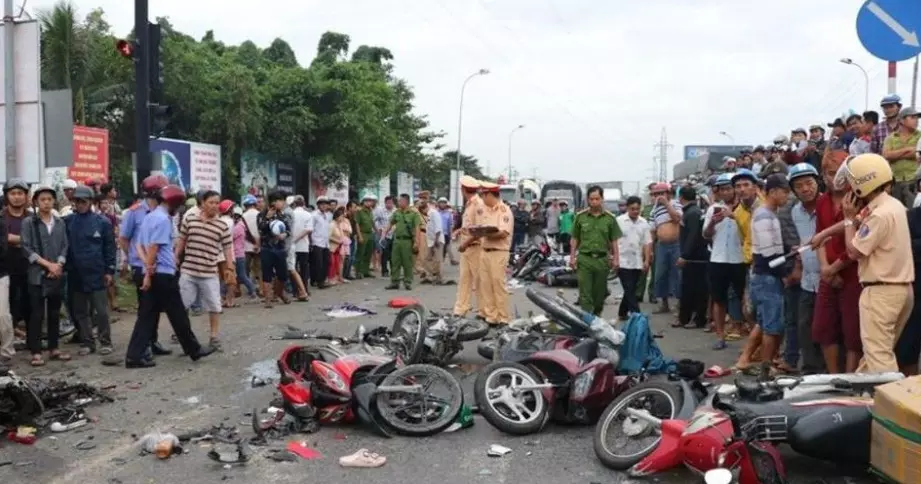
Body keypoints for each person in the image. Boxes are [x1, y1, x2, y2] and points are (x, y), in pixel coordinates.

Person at [125, 184, 215, 368]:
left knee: (147, 315)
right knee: (177, 313)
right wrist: (149, 271)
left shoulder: (149, 217)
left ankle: (134, 355)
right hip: (163, 273)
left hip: (153, 272)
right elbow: (154, 247)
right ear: (173, 202)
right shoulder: (163, 219)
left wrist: (147, 268)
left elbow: (139, 246)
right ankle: (194, 349)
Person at [842, 153, 914, 373]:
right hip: (902, 290)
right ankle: (863, 388)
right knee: (875, 355)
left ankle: (891, 395)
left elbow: (853, 251)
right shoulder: (895, 205)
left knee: (879, 358)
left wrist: (847, 220)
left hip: (881, 292)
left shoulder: (878, 215)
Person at [812, 150, 862, 373]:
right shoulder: (822, 201)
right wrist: (826, 269)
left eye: (839, 173)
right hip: (828, 273)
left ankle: (850, 379)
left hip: (853, 272)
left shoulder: (857, 200)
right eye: (830, 174)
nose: (835, 179)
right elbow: (819, 238)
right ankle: (834, 377)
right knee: (823, 328)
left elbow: (858, 243)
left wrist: (834, 268)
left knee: (853, 333)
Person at [737, 174, 792, 376]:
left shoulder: (767, 214)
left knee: (763, 322)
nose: (787, 197)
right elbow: (770, 255)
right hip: (768, 276)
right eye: (785, 192)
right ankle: (766, 367)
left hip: (764, 275)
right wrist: (785, 274)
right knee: (772, 325)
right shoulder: (764, 216)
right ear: (773, 192)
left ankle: (745, 359)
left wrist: (790, 249)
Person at [175, 190, 234, 350]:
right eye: (211, 202)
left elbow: (227, 248)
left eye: (217, 203)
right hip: (189, 270)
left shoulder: (222, 225)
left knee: (214, 306)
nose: (214, 206)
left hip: (209, 272)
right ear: (202, 203)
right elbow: (182, 239)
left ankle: (214, 337)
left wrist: (230, 267)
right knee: (182, 305)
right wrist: (175, 257)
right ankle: (182, 334)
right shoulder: (190, 219)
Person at [21, 184, 70, 366]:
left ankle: (54, 347)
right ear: (36, 202)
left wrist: (59, 264)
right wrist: (48, 265)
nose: (46, 203)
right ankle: (36, 351)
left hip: (56, 274)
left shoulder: (59, 223)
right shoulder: (29, 223)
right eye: (43, 199)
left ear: (54, 201)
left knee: (55, 313)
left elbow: (65, 246)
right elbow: (26, 248)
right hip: (37, 274)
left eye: (49, 199)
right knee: (37, 314)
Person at [65, 185, 116, 356]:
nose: (80, 204)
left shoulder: (103, 222)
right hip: (76, 273)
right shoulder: (68, 222)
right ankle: (87, 342)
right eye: (77, 201)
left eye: (83, 201)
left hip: (97, 273)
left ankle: (105, 341)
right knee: (80, 312)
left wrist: (109, 270)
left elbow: (110, 248)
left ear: (91, 202)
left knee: (101, 311)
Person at [703, 173, 745, 350]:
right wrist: (712, 223)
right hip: (718, 258)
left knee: (744, 298)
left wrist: (733, 216)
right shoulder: (713, 209)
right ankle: (720, 336)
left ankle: (746, 333)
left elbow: (749, 231)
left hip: (740, 258)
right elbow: (706, 235)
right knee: (718, 299)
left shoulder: (744, 209)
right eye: (722, 190)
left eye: (729, 189)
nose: (726, 192)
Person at [571, 185, 622, 316]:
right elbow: (575, 238)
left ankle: (597, 314)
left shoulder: (610, 218)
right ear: (588, 200)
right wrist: (572, 257)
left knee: (600, 293)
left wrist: (616, 258)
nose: (594, 202)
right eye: (591, 199)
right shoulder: (580, 217)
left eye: (597, 199)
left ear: (602, 199)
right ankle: (587, 319)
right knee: (585, 293)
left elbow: (614, 241)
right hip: (585, 259)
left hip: (602, 260)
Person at [472, 182, 513, 325]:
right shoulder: (485, 210)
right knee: (486, 285)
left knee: (498, 285)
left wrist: (485, 234)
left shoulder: (504, 210)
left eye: (483, 195)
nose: (482, 198)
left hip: (498, 252)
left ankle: (503, 317)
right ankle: (491, 316)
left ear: (490, 194)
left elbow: (504, 232)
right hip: (485, 251)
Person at [676, 186, 709, 329]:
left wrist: (685, 255)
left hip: (696, 258)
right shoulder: (691, 211)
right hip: (692, 257)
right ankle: (684, 318)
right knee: (688, 289)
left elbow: (693, 235)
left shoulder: (693, 213)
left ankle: (697, 320)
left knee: (697, 290)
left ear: (681, 197)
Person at [615, 196, 651, 320]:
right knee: (629, 288)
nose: (635, 211)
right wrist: (613, 258)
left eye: (637, 209)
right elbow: (612, 241)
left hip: (637, 261)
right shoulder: (619, 221)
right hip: (622, 260)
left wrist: (647, 260)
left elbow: (647, 242)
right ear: (627, 208)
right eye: (632, 209)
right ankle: (637, 316)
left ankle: (622, 312)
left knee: (631, 288)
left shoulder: (643, 223)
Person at [649, 182, 682, 314]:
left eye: (661, 193)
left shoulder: (675, 204)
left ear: (668, 194)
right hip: (661, 246)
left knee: (677, 274)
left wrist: (667, 204)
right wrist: (650, 249)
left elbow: (677, 218)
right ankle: (664, 304)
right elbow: (652, 231)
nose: (659, 196)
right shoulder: (654, 210)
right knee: (660, 275)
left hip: (676, 244)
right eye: (656, 194)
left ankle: (680, 304)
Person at [453, 176, 484, 317]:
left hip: (475, 247)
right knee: (464, 280)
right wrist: (460, 230)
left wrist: (465, 243)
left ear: (463, 189)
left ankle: (484, 311)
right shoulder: (469, 204)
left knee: (479, 281)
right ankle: (460, 310)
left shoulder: (478, 204)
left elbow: (480, 229)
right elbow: (470, 225)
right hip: (467, 248)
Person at [257, 191, 292, 307]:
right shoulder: (262, 215)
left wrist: (284, 235)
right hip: (266, 247)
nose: (282, 203)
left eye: (282, 201)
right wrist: (267, 218)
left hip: (280, 248)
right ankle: (268, 298)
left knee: (283, 275)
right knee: (267, 274)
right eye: (280, 201)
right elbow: (260, 229)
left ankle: (279, 293)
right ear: (273, 202)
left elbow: (288, 230)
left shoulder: (283, 216)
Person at [881, 106, 920, 207]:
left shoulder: (920, 136)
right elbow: (886, 155)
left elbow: (916, 153)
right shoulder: (891, 138)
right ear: (902, 120)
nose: (917, 120)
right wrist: (908, 149)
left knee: (914, 210)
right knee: (898, 211)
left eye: (917, 118)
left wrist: (895, 154)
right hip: (896, 182)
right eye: (912, 117)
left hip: (915, 181)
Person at [385, 194, 421, 290]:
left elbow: (417, 229)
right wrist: (384, 234)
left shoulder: (414, 214)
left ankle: (407, 282)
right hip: (397, 240)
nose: (398, 202)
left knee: (407, 262)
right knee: (395, 261)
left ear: (406, 202)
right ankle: (394, 282)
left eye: (400, 201)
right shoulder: (397, 212)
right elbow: (390, 223)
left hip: (407, 241)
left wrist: (416, 242)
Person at [230, 206, 258, 302]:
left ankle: (253, 292)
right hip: (239, 253)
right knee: (240, 275)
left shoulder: (238, 227)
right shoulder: (241, 225)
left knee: (242, 276)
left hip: (237, 254)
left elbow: (230, 237)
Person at [290, 195, 312, 296]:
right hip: (303, 245)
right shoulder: (308, 215)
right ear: (304, 203)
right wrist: (298, 238)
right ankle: (304, 289)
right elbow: (308, 230)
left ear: (294, 204)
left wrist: (293, 239)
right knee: (304, 268)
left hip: (292, 246)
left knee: (293, 268)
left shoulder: (291, 214)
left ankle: (295, 290)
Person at [420, 200, 445, 285]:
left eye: (422, 211)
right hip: (430, 240)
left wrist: (436, 240)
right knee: (427, 259)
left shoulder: (434, 213)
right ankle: (429, 276)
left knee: (437, 260)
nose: (423, 214)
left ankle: (439, 278)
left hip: (437, 240)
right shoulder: (429, 215)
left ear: (425, 208)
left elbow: (438, 227)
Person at [241, 194, 262, 293]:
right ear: (255, 204)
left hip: (246, 246)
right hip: (259, 245)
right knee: (259, 269)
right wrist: (258, 243)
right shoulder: (260, 215)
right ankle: (261, 288)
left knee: (246, 269)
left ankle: (251, 288)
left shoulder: (243, 216)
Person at [308, 197, 331, 288]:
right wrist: (311, 242)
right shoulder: (314, 215)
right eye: (322, 204)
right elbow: (310, 229)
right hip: (316, 242)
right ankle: (319, 281)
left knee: (326, 262)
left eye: (325, 204)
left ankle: (321, 280)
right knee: (318, 263)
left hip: (325, 242)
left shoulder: (327, 215)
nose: (324, 206)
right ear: (318, 205)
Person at [328, 207, 351, 285]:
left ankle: (336, 278)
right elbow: (328, 236)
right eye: (341, 216)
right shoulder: (332, 224)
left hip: (338, 247)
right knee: (332, 263)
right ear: (337, 217)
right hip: (332, 247)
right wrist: (338, 241)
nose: (342, 218)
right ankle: (330, 279)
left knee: (337, 263)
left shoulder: (339, 224)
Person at [355, 194, 376, 279]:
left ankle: (366, 271)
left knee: (368, 253)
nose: (369, 203)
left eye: (370, 201)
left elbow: (372, 222)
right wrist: (359, 236)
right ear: (363, 202)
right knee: (360, 253)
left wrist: (377, 230)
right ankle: (358, 271)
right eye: (367, 201)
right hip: (363, 233)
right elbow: (357, 224)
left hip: (370, 233)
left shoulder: (370, 211)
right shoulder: (359, 211)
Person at [374, 196, 395, 276]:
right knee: (385, 254)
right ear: (385, 203)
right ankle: (385, 271)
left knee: (393, 254)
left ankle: (394, 270)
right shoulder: (380, 211)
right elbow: (373, 220)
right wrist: (378, 229)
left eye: (391, 203)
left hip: (394, 235)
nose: (389, 204)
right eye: (388, 203)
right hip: (384, 236)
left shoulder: (396, 211)